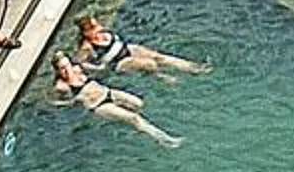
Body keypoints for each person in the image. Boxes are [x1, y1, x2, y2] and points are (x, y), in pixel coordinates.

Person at [50, 55, 180, 145]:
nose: (67, 70)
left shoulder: (78, 70)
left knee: (139, 103)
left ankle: (147, 127)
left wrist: (103, 66)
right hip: (98, 105)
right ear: (57, 71)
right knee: (133, 118)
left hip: (109, 92)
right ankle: (165, 140)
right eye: (62, 68)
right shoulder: (61, 86)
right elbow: (57, 102)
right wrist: (75, 100)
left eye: (67, 65)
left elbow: (99, 69)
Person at [74, 14, 205, 77]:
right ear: (87, 32)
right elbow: (80, 63)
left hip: (127, 48)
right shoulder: (87, 47)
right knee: (150, 64)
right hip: (118, 62)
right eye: (94, 27)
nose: (99, 27)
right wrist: (100, 68)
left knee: (158, 56)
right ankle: (163, 76)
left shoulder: (102, 32)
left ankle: (192, 67)